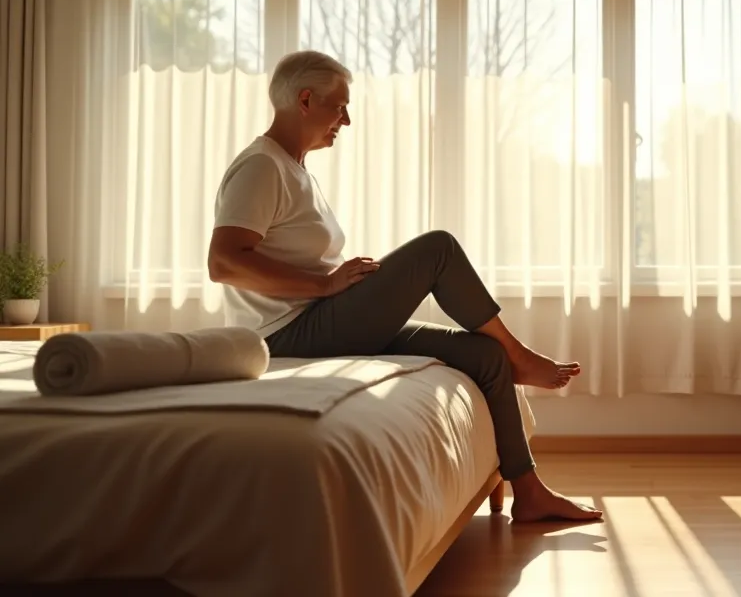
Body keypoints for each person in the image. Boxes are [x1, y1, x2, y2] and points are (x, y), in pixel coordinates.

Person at [206, 49, 602, 523]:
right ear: (305, 100)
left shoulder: (294, 168)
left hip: (318, 316)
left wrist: (341, 287)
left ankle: (530, 491)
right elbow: (224, 262)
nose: (346, 120)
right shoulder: (260, 167)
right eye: (339, 107)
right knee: (438, 249)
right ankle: (518, 352)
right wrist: (327, 285)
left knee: (484, 357)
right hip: (285, 331)